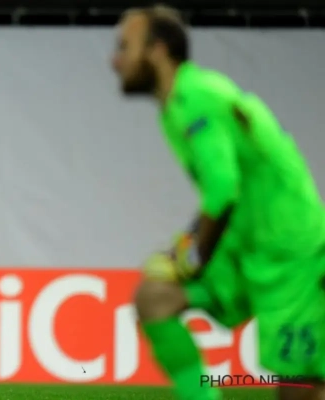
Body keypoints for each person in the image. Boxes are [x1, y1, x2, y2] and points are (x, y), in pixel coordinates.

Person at [112, 6, 325, 400]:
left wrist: (191, 258)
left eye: (125, 47)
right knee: (155, 298)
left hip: (291, 255)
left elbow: (223, 191)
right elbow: (223, 194)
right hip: (242, 246)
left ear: (157, 50)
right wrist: (184, 249)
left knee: (298, 388)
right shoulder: (177, 105)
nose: (115, 60)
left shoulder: (198, 98)